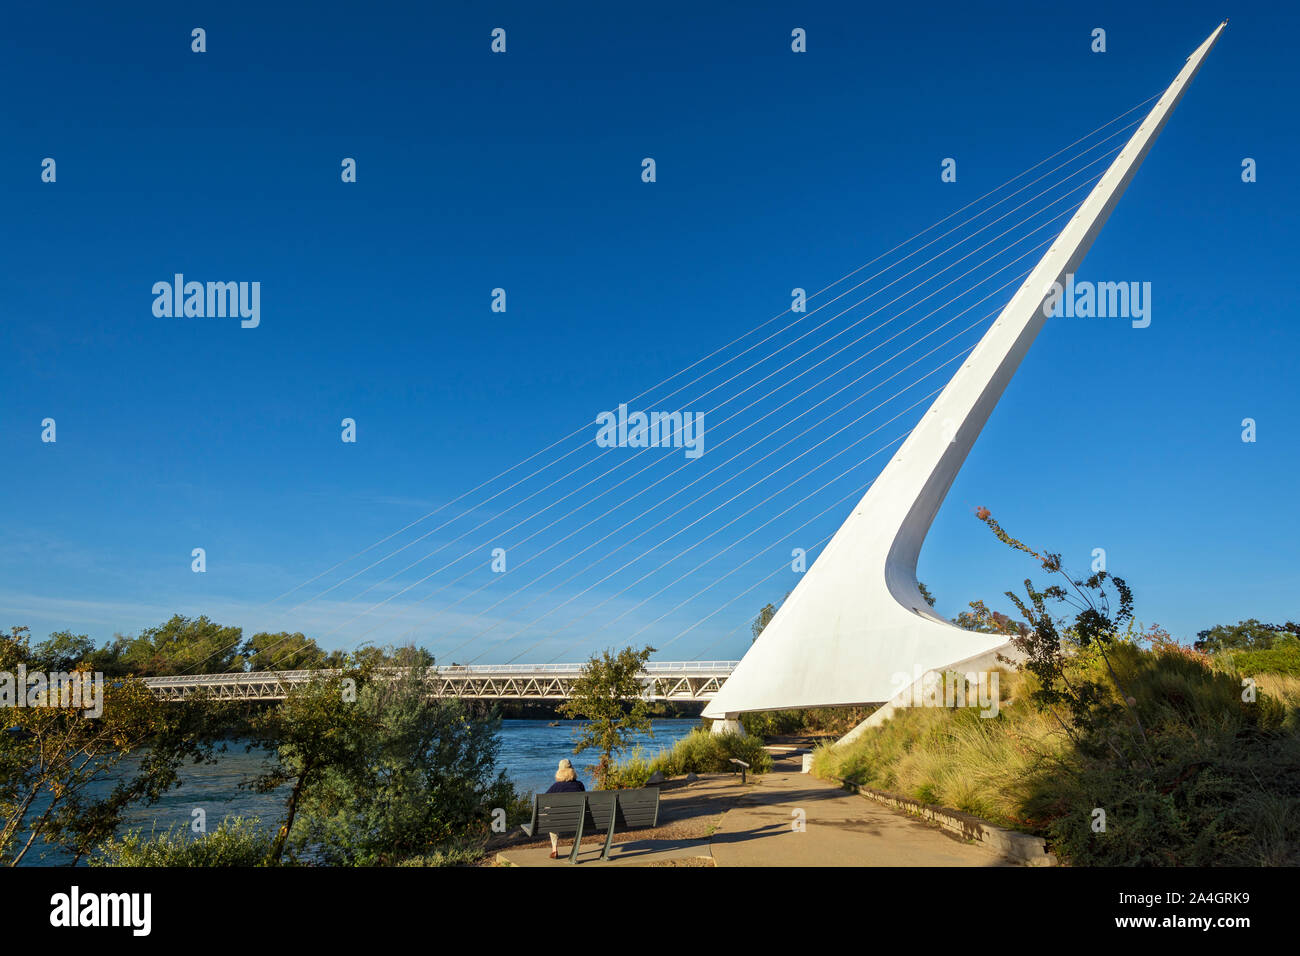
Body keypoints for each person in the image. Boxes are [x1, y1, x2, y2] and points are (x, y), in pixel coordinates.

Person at [545, 758, 585, 858]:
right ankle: (575, 848)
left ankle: (554, 849)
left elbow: (544, 803)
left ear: (559, 771)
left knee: (550, 818)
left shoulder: (555, 787)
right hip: (578, 819)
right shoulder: (580, 785)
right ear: (572, 770)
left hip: (558, 820)